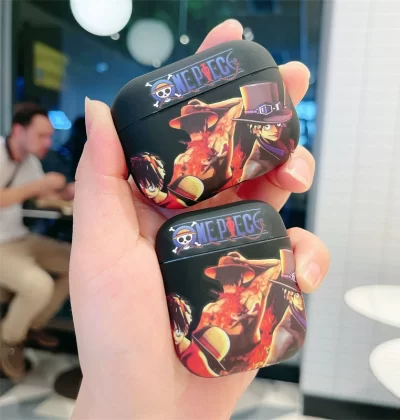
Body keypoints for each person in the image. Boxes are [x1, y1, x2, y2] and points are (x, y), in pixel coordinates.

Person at [70, 20, 330, 419]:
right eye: (190, 128)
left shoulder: (242, 132)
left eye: (202, 123)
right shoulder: (183, 166)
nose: (196, 133)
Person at [0, 104, 74, 381]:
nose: (48, 143)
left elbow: (40, 197)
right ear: (19, 130)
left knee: (77, 263)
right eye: (42, 135)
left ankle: (30, 325)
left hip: (19, 237)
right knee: (39, 285)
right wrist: (39, 186)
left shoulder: (29, 162)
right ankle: (8, 340)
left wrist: (67, 193)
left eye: (49, 137)